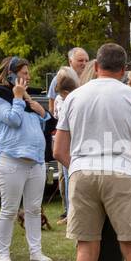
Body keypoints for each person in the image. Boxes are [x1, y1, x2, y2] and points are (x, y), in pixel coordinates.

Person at [52, 43, 131, 261]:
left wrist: (77, 167)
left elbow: (58, 150)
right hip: (120, 172)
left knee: (86, 247)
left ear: (96, 67)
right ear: (124, 69)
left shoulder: (74, 97)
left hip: (82, 172)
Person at [0, 56, 53, 261]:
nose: (28, 77)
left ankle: (36, 251)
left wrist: (41, 111)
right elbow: (13, 120)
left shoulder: (29, 99)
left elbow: (49, 122)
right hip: (11, 160)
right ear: (11, 75)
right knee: (9, 209)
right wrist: (18, 98)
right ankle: (3, 254)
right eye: (24, 73)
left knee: (34, 209)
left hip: (36, 161)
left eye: (28, 73)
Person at [51, 67, 80, 224]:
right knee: (66, 179)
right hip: (64, 142)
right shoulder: (59, 100)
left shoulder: (76, 99)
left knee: (72, 179)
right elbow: (57, 118)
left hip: (74, 144)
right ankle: (69, 212)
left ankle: (73, 213)